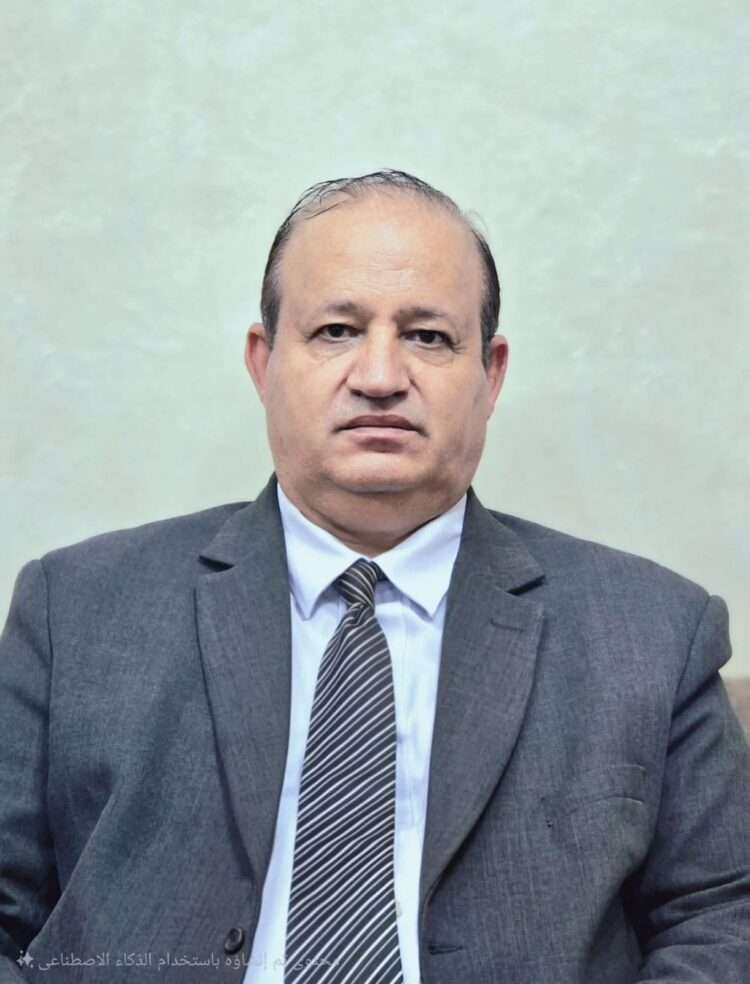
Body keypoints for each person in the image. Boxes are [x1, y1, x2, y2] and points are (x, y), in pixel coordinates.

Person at [0, 169, 748, 984]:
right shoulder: (75, 612)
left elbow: (721, 916)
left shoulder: (651, 633)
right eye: (335, 331)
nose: (381, 376)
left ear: (491, 373)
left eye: (428, 337)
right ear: (263, 362)